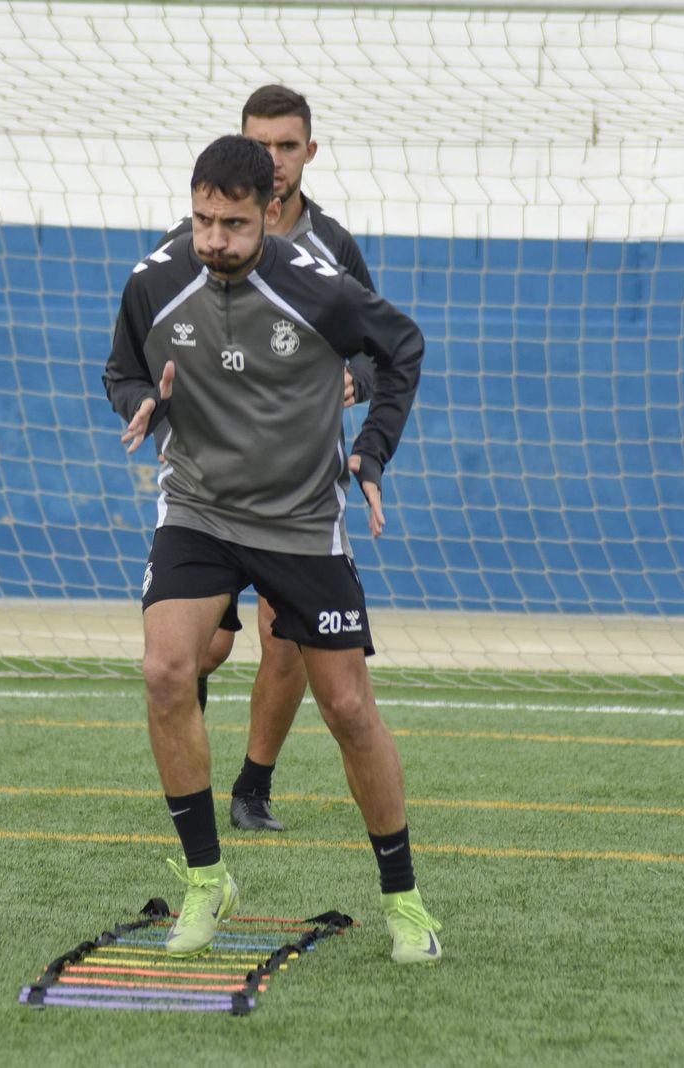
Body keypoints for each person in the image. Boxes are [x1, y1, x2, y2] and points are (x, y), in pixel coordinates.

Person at [103, 134, 443, 964]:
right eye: (202, 220)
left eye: (234, 224)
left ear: (270, 214)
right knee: (166, 669)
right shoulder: (155, 280)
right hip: (198, 508)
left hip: (299, 519)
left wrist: (372, 451)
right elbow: (119, 370)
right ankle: (205, 881)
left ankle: (405, 902)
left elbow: (402, 348)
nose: (214, 240)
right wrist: (144, 398)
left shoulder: (314, 287)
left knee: (349, 710)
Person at [157, 84, 378, 834]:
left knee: (287, 635)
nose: (276, 161)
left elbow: (377, 349)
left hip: (299, 488)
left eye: (289, 147)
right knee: (205, 645)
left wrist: (358, 382)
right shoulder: (199, 241)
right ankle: (191, 745)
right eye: (264, 145)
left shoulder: (333, 250)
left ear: (309, 153)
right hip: (209, 488)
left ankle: (253, 787)